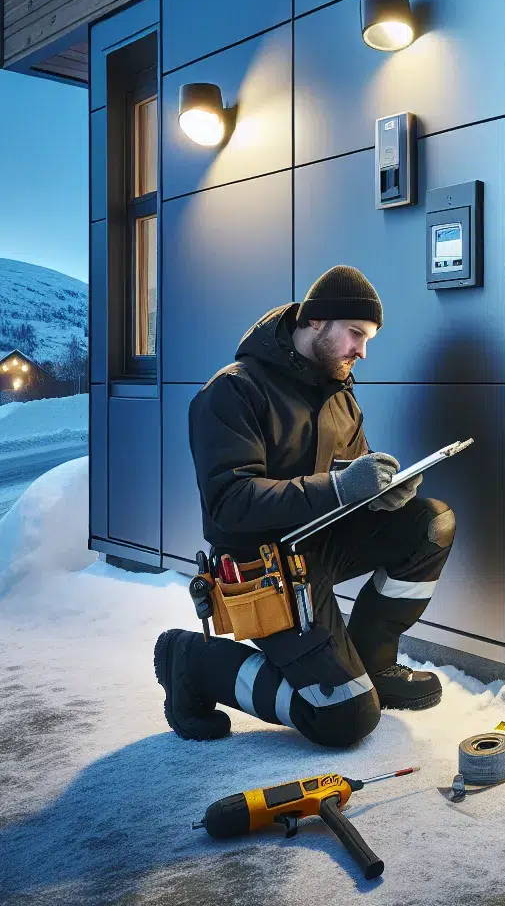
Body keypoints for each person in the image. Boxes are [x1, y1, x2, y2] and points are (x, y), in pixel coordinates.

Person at [154, 265, 454, 748]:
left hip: (321, 547)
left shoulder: (340, 394)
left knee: (430, 522)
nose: (362, 350)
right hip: (263, 569)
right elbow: (230, 503)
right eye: (356, 334)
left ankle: (372, 664)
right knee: (343, 718)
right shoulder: (233, 391)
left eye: (369, 338)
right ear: (315, 321)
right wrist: (339, 488)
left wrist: (381, 496)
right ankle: (193, 662)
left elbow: (350, 485)